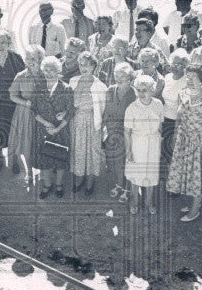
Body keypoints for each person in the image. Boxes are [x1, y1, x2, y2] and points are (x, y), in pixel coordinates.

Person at [166, 65, 202, 222]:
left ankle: (195, 210)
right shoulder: (182, 94)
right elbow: (179, 116)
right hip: (184, 140)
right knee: (188, 174)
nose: (189, 80)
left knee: (198, 176)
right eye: (187, 77)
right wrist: (176, 134)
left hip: (200, 144)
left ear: (201, 80)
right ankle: (195, 203)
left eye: (193, 77)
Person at [0, 29, 25, 173]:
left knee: (14, 133)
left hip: (13, 103)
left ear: (9, 43)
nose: (0, 45)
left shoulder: (16, 58)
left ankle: (14, 161)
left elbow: (23, 80)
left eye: (3, 42)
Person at [124, 74, 165, 215]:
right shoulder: (131, 108)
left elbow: (160, 126)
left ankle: (149, 202)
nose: (141, 93)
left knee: (151, 174)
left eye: (145, 90)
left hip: (153, 144)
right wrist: (129, 151)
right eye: (139, 90)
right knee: (136, 175)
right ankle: (134, 201)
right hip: (137, 144)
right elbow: (127, 132)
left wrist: (159, 145)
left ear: (152, 90)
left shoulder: (158, 104)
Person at [33, 55, 73, 198]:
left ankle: (59, 185)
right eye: (46, 70)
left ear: (58, 71)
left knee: (60, 160)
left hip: (61, 131)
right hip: (43, 129)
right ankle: (47, 185)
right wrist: (45, 123)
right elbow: (33, 109)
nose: (49, 73)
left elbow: (70, 112)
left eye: (52, 70)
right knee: (45, 160)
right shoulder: (39, 87)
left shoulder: (66, 88)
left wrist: (57, 128)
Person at [68, 51, 106, 195]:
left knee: (92, 152)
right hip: (76, 121)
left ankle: (90, 182)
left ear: (93, 66)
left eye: (87, 65)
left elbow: (102, 108)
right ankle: (80, 179)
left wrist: (100, 126)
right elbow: (68, 103)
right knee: (78, 151)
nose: (84, 67)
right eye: (81, 64)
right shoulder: (73, 81)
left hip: (92, 122)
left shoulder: (100, 86)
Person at [8, 45, 45, 183]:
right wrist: (25, 103)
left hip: (43, 114)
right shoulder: (21, 76)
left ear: (40, 59)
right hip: (25, 114)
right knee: (26, 145)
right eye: (28, 58)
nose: (30, 61)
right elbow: (12, 95)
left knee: (41, 144)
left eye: (34, 58)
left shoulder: (45, 74)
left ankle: (43, 172)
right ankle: (29, 173)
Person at [103, 62, 136, 201]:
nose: (118, 78)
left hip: (128, 133)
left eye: (122, 76)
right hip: (111, 131)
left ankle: (127, 189)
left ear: (130, 78)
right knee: (114, 160)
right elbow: (105, 111)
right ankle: (118, 184)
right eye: (116, 75)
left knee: (127, 161)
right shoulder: (110, 90)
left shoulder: (134, 93)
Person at [160, 49, 189, 174]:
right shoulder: (166, 78)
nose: (176, 67)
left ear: (185, 66)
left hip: (177, 122)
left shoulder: (187, 81)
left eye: (180, 65)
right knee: (163, 152)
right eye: (174, 63)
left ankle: (174, 184)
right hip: (163, 120)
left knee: (174, 152)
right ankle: (166, 182)